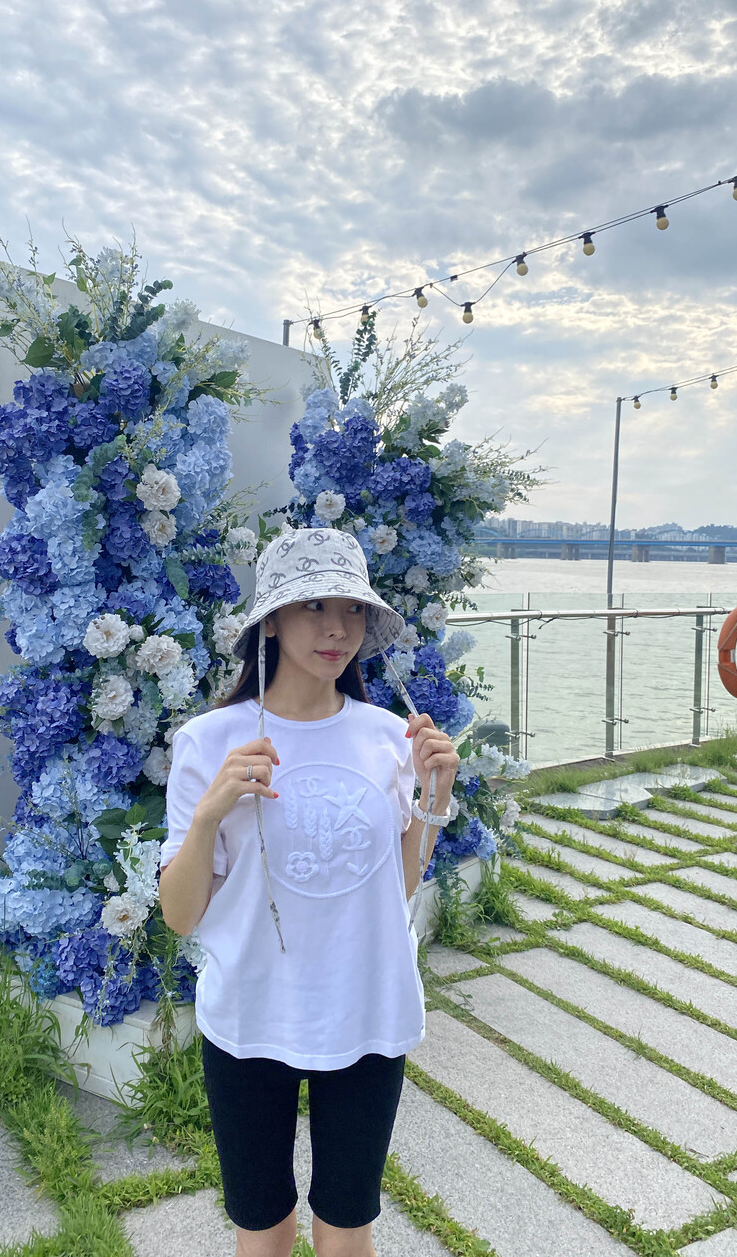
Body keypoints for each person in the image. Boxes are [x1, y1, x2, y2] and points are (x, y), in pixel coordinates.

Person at [158, 527, 459, 1257]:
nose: (337, 628)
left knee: (348, 1225)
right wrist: (209, 815)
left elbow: (395, 886)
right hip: (251, 1012)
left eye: (352, 609)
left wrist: (434, 798)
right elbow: (180, 914)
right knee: (262, 1227)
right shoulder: (209, 742)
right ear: (271, 621)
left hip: (366, 1008)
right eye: (314, 606)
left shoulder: (389, 737)